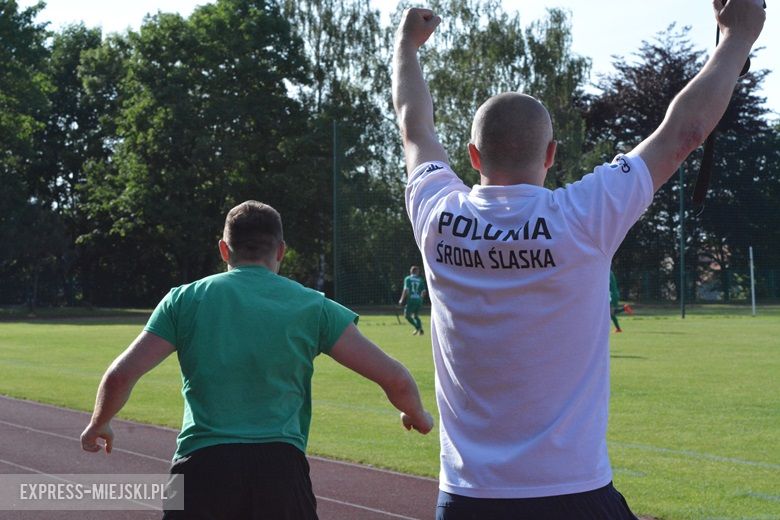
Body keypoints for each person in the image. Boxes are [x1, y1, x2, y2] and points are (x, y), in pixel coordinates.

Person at [392, 2, 764, 518]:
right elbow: (683, 131)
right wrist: (738, 37)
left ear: (473, 157)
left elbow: (414, 127)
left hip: (466, 499)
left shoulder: (436, 215)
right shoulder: (583, 217)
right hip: (575, 495)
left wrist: (406, 48)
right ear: (551, 155)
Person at [80, 200, 434, 519]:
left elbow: (120, 376)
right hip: (279, 473)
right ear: (281, 250)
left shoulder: (184, 301)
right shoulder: (313, 306)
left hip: (202, 469)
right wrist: (416, 414)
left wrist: (100, 423)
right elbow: (395, 379)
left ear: (224, 249)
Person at [398, 265, 427, 335]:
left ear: (411, 271)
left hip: (411, 299)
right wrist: (421, 299)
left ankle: (418, 328)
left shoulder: (408, 279)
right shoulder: (420, 279)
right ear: (417, 272)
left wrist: (401, 299)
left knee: (407, 316)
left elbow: (406, 290)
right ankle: (420, 330)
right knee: (416, 316)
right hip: (419, 300)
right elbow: (424, 291)